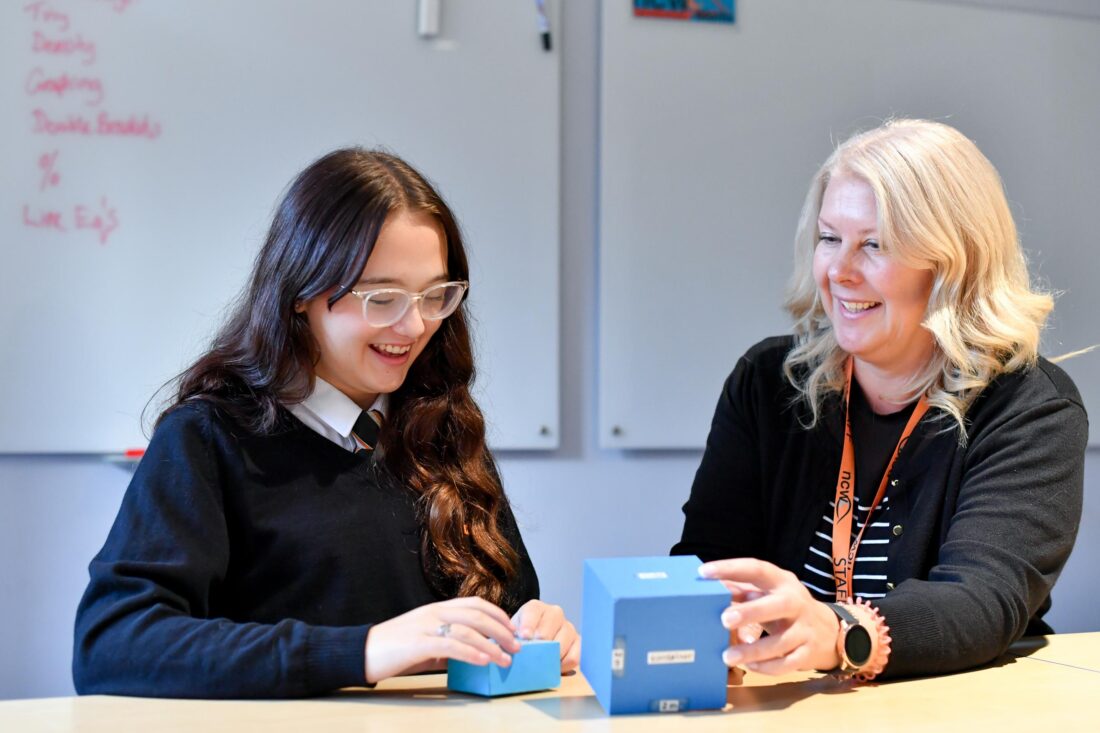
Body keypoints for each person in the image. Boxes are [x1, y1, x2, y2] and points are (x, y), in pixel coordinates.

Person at [73, 148, 579, 698]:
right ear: (300, 295)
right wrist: (361, 651)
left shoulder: (445, 431)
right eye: (381, 298)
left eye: (435, 296)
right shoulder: (208, 439)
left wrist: (536, 631)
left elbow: (502, 614)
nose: (413, 325)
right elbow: (112, 644)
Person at [672, 119, 1086, 681]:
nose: (839, 271)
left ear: (953, 265)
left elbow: (984, 600)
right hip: (790, 707)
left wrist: (840, 633)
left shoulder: (1028, 408)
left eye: (875, 245)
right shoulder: (767, 381)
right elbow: (705, 564)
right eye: (829, 238)